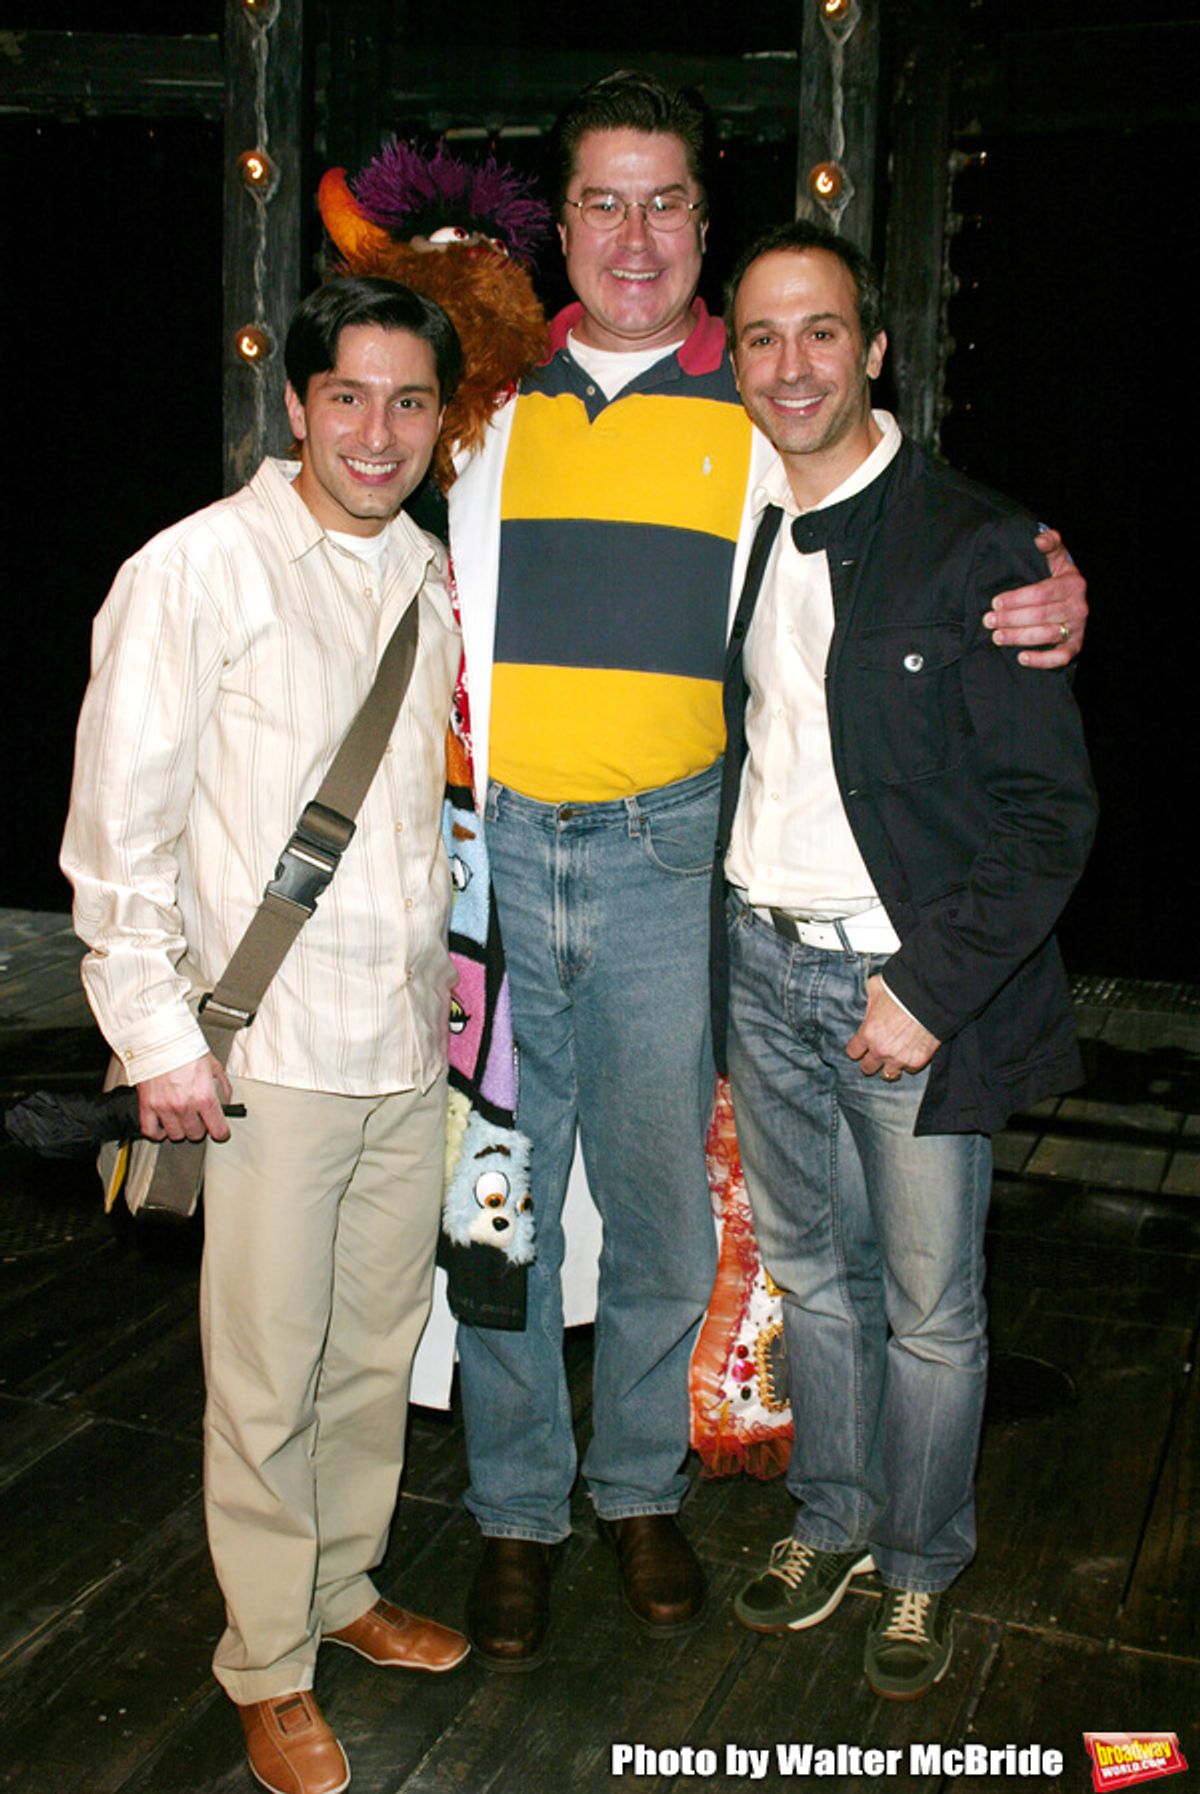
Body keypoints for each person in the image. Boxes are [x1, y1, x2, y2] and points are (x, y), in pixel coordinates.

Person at [446, 69, 1090, 1672]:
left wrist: (1053, 586)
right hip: (501, 870)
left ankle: (641, 1490)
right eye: (603, 200)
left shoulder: (745, 412)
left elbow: (903, 528)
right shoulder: (478, 408)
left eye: (667, 201)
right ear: (561, 224)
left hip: (681, 868)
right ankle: (518, 1514)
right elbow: (348, 501)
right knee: (501, 1214)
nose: (635, 233)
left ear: (703, 230)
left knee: (670, 1218)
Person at [61, 278, 471, 1794]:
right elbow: (119, 843)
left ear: (441, 419)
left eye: (410, 402)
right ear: (295, 402)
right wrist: (162, 1042)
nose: (377, 431)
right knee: (265, 1376)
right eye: (348, 396)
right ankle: (267, 1661)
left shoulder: (431, 574)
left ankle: (343, 1587)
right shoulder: (193, 571)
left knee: (372, 1351)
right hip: (264, 1058)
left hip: (401, 1044)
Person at [715, 220, 1097, 1700]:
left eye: (822, 332)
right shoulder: (745, 509)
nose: (791, 363)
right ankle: (832, 1518)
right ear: (734, 359)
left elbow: (1051, 814)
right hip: (762, 962)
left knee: (931, 1307)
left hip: (905, 988)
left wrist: (928, 993)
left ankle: (923, 1562)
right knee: (813, 1280)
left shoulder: (977, 541)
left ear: (874, 348)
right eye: (761, 336)